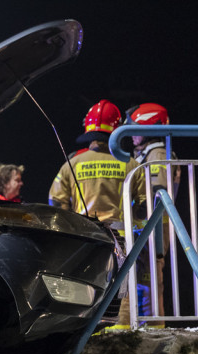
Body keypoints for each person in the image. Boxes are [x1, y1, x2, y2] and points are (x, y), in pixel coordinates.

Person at [49, 100, 144, 330]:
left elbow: (55, 201)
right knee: (122, 293)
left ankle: (86, 337)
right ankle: (121, 340)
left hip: (85, 240)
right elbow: (144, 204)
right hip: (122, 240)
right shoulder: (130, 164)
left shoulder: (72, 163)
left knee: (85, 290)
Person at [123, 103, 180, 326]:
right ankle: (142, 324)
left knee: (150, 277)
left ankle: (154, 326)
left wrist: (136, 207)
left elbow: (157, 190)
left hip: (153, 223)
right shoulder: (147, 152)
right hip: (147, 223)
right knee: (141, 278)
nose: (132, 134)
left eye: (136, 128)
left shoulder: (157, 153)